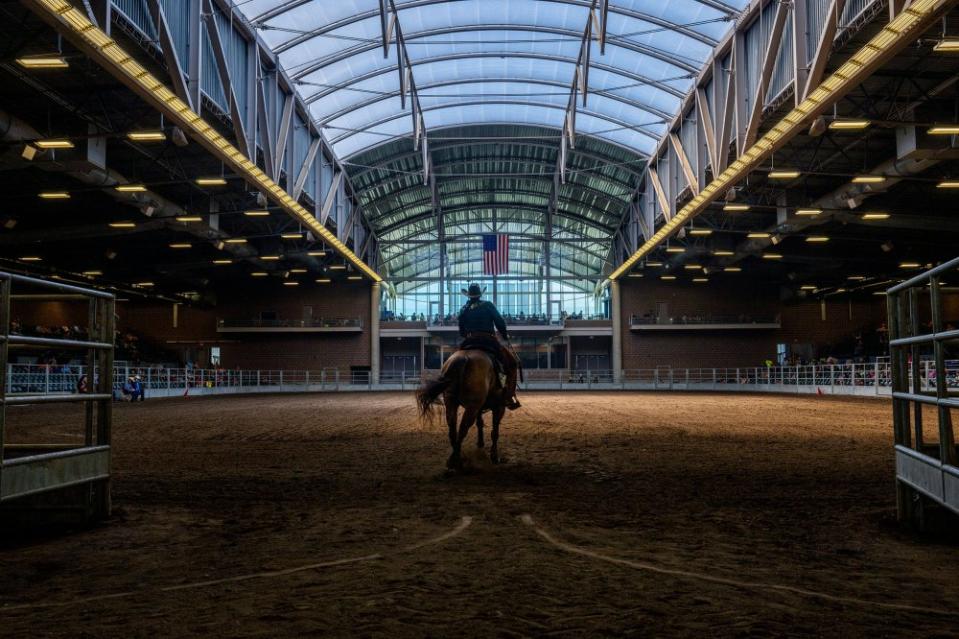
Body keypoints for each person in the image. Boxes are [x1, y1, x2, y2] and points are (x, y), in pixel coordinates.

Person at [457, 283, 521, 410]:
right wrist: (504, 335)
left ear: (469, 296)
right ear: (480, 295)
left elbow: (461, 331)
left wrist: (469, 335)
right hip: (488, 339)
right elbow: (499, 321)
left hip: (469, 341)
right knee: (511, 363)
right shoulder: (488, 305)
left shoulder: (464, 309)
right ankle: (508, 395)